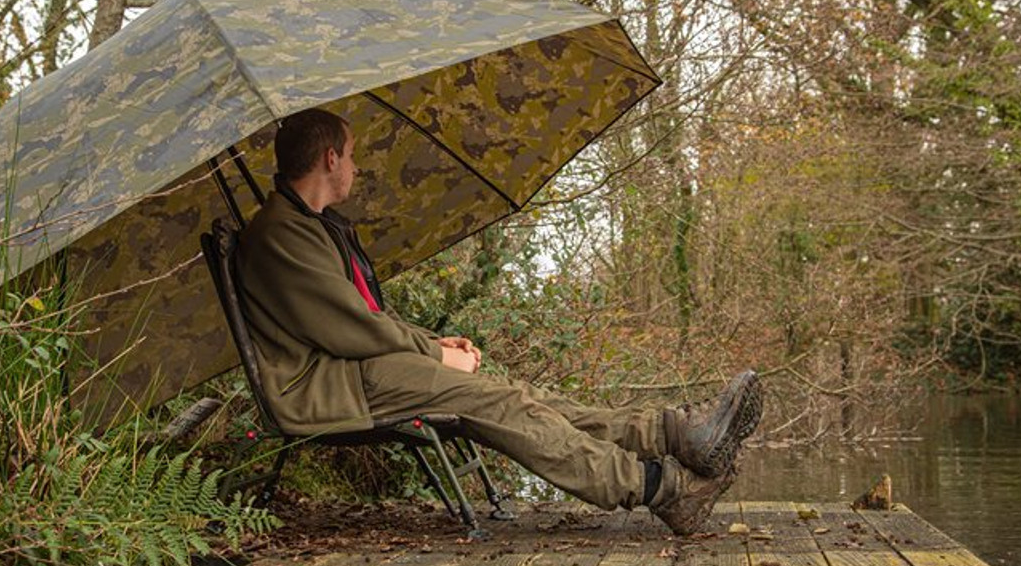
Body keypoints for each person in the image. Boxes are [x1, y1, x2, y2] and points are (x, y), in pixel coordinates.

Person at [235, 108, 763, 535]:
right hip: (328, 387)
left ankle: (673, 435)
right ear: (330, 158)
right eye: (351, 156)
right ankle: (660, 489)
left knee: (512, 391)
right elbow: (348, 326)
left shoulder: (308, 226)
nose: (356, 168)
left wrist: (431, 342)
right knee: (500, 401)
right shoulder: (280, 234)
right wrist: (437, 356)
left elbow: (364, 317)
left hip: (356, 370)